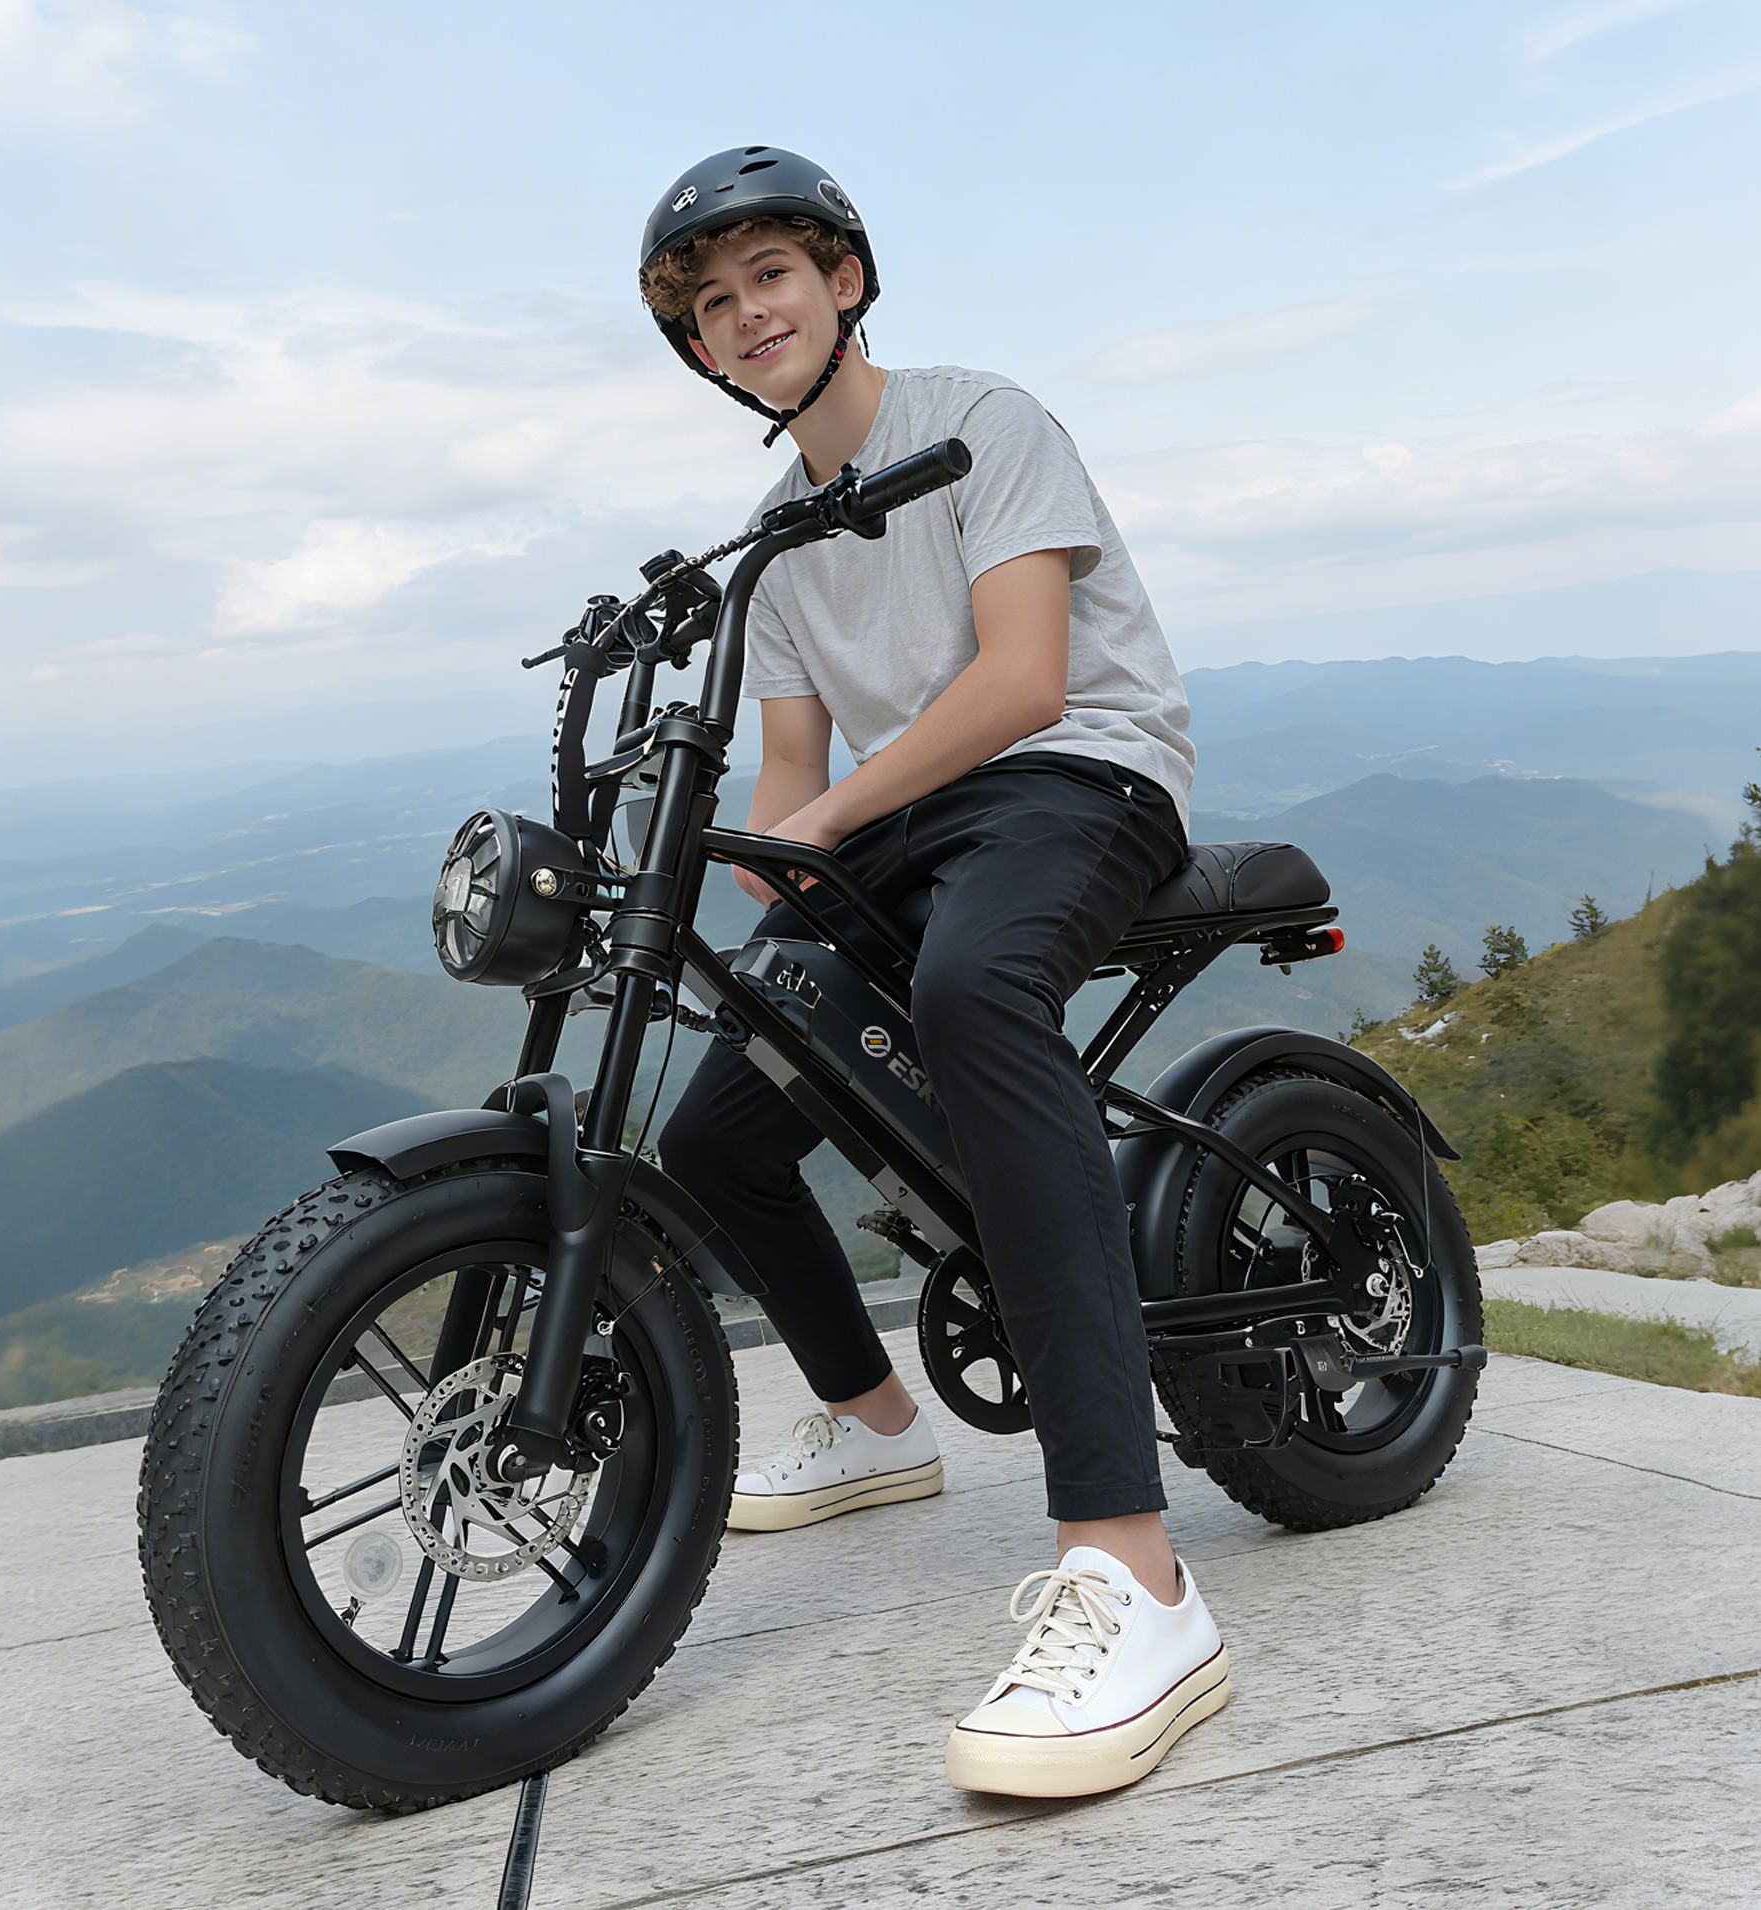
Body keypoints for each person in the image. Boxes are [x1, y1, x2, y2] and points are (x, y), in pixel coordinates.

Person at [644, 148, 1228, 1799]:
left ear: (841, 281)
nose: (742, 311)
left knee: (973, 994)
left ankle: (1133, 1568)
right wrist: (755, 893)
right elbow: (786, 773)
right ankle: (875, 1417)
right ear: (696, 349)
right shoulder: (770, 537)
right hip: (903, 818)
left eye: (769, 273)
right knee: (719, 1129)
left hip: (1079, 774)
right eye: (709, 300)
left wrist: (821, 819)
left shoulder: (981, 419)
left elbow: (1029, 678)